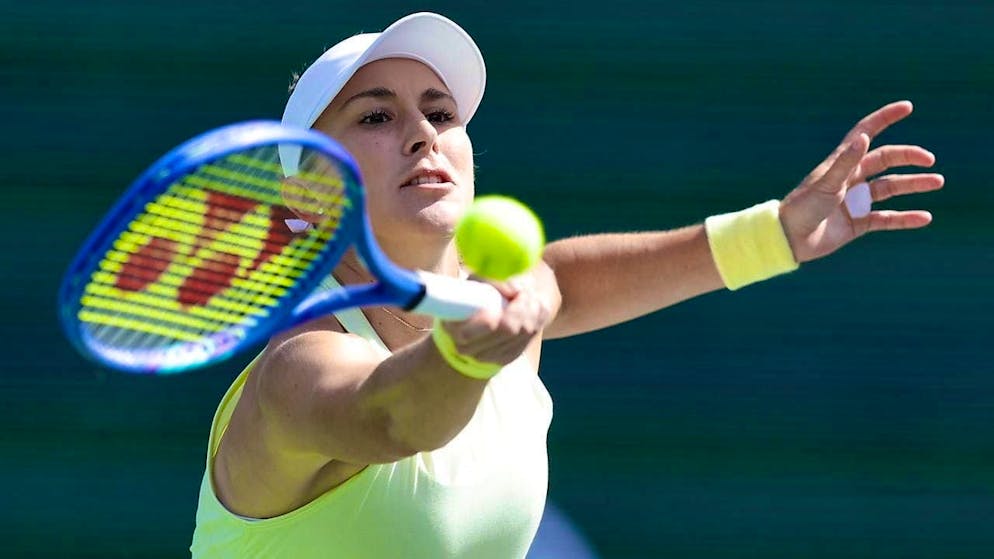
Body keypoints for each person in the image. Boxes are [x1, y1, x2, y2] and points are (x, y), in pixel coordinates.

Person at [190, 12, 943, 558]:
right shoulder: (297, 371)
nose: (423, 132)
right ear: (308, 193)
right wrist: (471, 352)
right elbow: (393, 420)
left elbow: (560, 282)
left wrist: (770, 234)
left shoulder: (503, 308)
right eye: (376, 116)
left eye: (440, 111)